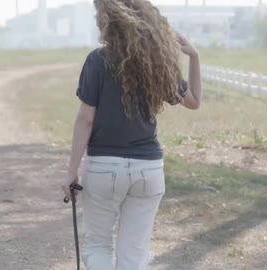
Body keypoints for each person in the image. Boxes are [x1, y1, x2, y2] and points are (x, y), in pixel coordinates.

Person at [61, 0, 202, 269]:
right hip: (148, 170)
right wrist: (194, 56)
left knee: (100, 246)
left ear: (106, 20)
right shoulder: (157, 63)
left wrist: (71, 171)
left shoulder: (97, 60)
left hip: (104, 168)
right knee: (134, 255)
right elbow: (193, 101)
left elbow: (85, 119)